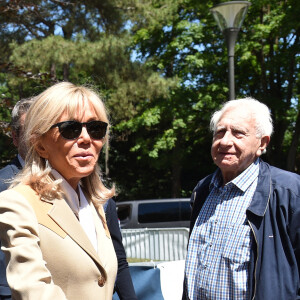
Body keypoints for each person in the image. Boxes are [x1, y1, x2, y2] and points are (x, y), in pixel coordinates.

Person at [0, 97, 137, 300]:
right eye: (70, 129)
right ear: (40, 145)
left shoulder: (96, 204)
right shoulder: (17, 201)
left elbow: (116, 263)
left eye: (96, 128)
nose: (85, 138)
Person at [183, 97, 300, 300]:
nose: (225, 141)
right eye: (220, 132)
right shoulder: (202, 190)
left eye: (238, 133)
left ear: (262, 143)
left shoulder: (289, 192)